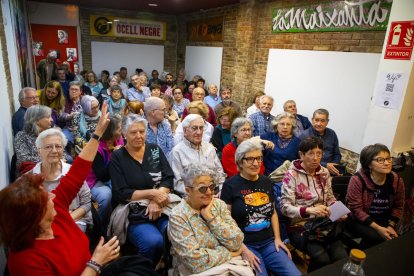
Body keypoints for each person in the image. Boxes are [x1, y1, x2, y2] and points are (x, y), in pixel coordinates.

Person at [0, 103, 124, 275]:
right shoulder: (25, 260)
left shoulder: (55, 209)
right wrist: (95, 264)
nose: (52, 194)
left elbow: (79, 170)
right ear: (32, 216)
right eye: (45, 197)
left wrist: (98, 134)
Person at [221, 138, 301, 276]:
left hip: (269, 243)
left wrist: (277, 238)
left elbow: (273, 212)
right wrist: (243, 249)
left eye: (259, 158)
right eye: (250, 159)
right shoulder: (230, 185)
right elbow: (225, 222)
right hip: (246, 244)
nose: (256, 163)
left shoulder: (266, 181)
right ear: (240, 161)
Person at [110, 114, 174, 265]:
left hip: (162, 205)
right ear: (124, 134)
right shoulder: (118, 157)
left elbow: (168, 178)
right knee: (153, 241)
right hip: (135, 211)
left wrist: (156, 200)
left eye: (142, 131)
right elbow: (120, 192)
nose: (139, 136)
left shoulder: (154, 150)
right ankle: (142, 269)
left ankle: (169, 266)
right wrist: (152, 194)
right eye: (133, 132)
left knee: (173, 232)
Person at [281, 136, 347, 272]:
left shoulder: (324, 172)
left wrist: (338, 210)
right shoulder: (292, 175)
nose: (315, 158)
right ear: (301, 154)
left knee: (341, 257)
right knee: (322, 258)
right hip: (299, 225)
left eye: (319, 154)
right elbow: (285, 208)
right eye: (311, 153)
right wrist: (310, 210)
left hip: (323, 223)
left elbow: (329, 197)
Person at [168, 164, 247, 275]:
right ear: (188, 190)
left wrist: (210, 218)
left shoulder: (218, 205)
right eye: (202, 189)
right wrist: (229, 253)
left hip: (228, 266)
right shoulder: (178, 216)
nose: (209, 192)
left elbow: (237, 241)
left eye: (212, 187)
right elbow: (194, 261)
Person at [32, 128, 92, 232]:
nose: (54, 150)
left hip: (74, 219)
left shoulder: (73, 173)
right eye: (48, 147)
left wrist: (65, 219)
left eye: (58, 146)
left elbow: (86, 203)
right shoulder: (30, 178)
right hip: (43, 224)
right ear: (39, 151)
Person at [346, 143, 405, 249]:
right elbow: (357, 210)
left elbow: (398, 206)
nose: (387, 163)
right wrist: (378, 228)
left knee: (393, 240)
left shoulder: (397, 180)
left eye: (388, 158)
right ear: (369, 164)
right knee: (377, 238)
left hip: (383, 219)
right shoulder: (358, 179)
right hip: (359, 220)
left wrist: (391, 226)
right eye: (380, 160)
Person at [170, 114, 226, 195]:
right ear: (185, 131)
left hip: (214, 194)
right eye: (194, 128)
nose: (199, 132)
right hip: (191, 198)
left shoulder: (209, 148)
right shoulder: (177, 152)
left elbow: (220, 175)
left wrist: (220, 191)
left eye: (201, 128)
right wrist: (199, 194)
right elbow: (178, 184)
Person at [86, 115, 124, 228]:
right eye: (119, 128)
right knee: (106, 195)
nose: (121, 131)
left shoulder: (119, 140)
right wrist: (115, 156)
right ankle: (101, 225)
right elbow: (103, 176)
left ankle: (119, 220)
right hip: (94, 180)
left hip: (114, 176)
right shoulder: (96, 148)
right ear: (110, 132)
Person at [299, 108, 342, 176]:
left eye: (322, 121)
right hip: (312, 170)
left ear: (327, 122)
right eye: (316, 120)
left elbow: (337, 154)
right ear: (312, 120)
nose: (319, 124)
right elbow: (302, 158)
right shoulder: (305, 136)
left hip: (331, 171)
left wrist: (334, 166)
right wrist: (325, 165)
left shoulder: (332, 133)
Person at [60, 81, 83, 146]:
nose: (73, 91)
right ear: (69, 90)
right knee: (63, 138)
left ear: (80, 92)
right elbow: (60, 114)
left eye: (76, 89)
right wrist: (68, 116)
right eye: (72, 89)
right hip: (69, 128)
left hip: (83, 128)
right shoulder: (64, 101)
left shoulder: (84, 100)